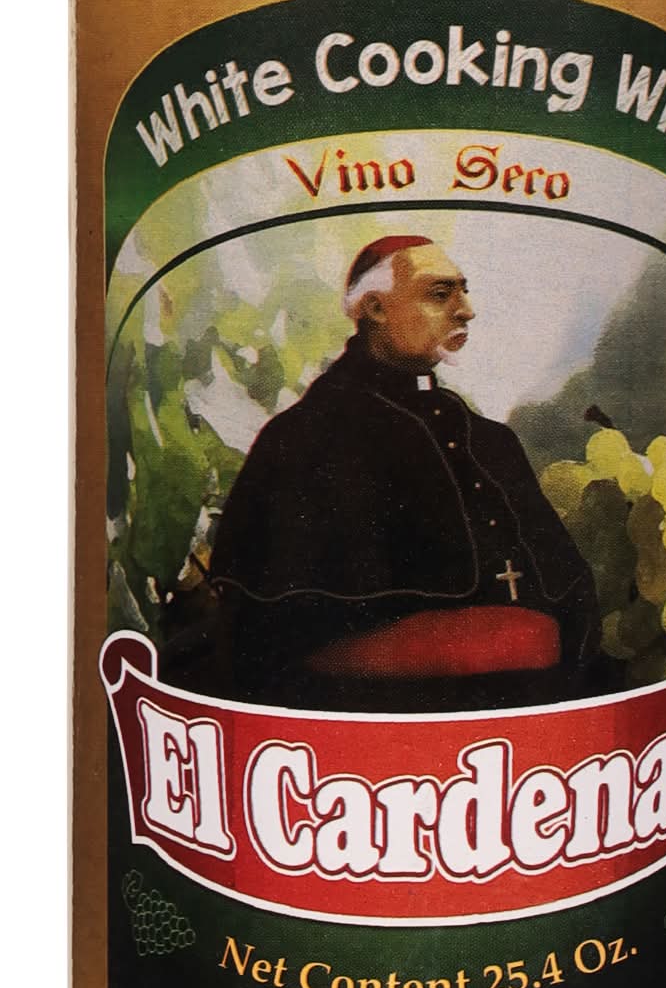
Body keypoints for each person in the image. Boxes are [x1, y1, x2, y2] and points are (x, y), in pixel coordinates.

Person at [200, 232, 603, 709]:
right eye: (440, 294)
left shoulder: (491, 441)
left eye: (463, 291)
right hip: (377, 708)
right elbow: (273, 635)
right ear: (374, 308)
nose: (466, 310)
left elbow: (567, 590)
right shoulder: (304, 437)